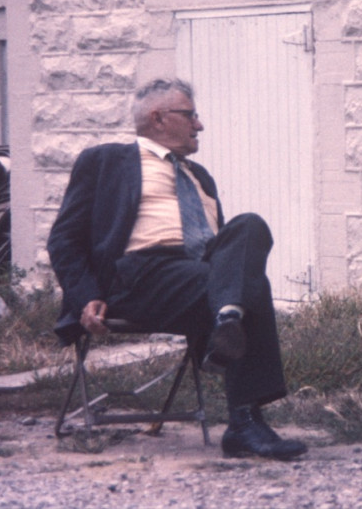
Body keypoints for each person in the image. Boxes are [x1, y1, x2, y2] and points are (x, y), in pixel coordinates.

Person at [47, 77, 307, 461]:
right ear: (158, 118)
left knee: (248, 225)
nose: (199, 125)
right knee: (250, 286)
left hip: (199, 277)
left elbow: (224, 247)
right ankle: (244, 421)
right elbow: (64, 240)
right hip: (138, 277)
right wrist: (85, 297)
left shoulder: (199, 176)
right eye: (191, 115)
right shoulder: (106, 161)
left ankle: (227, 316)